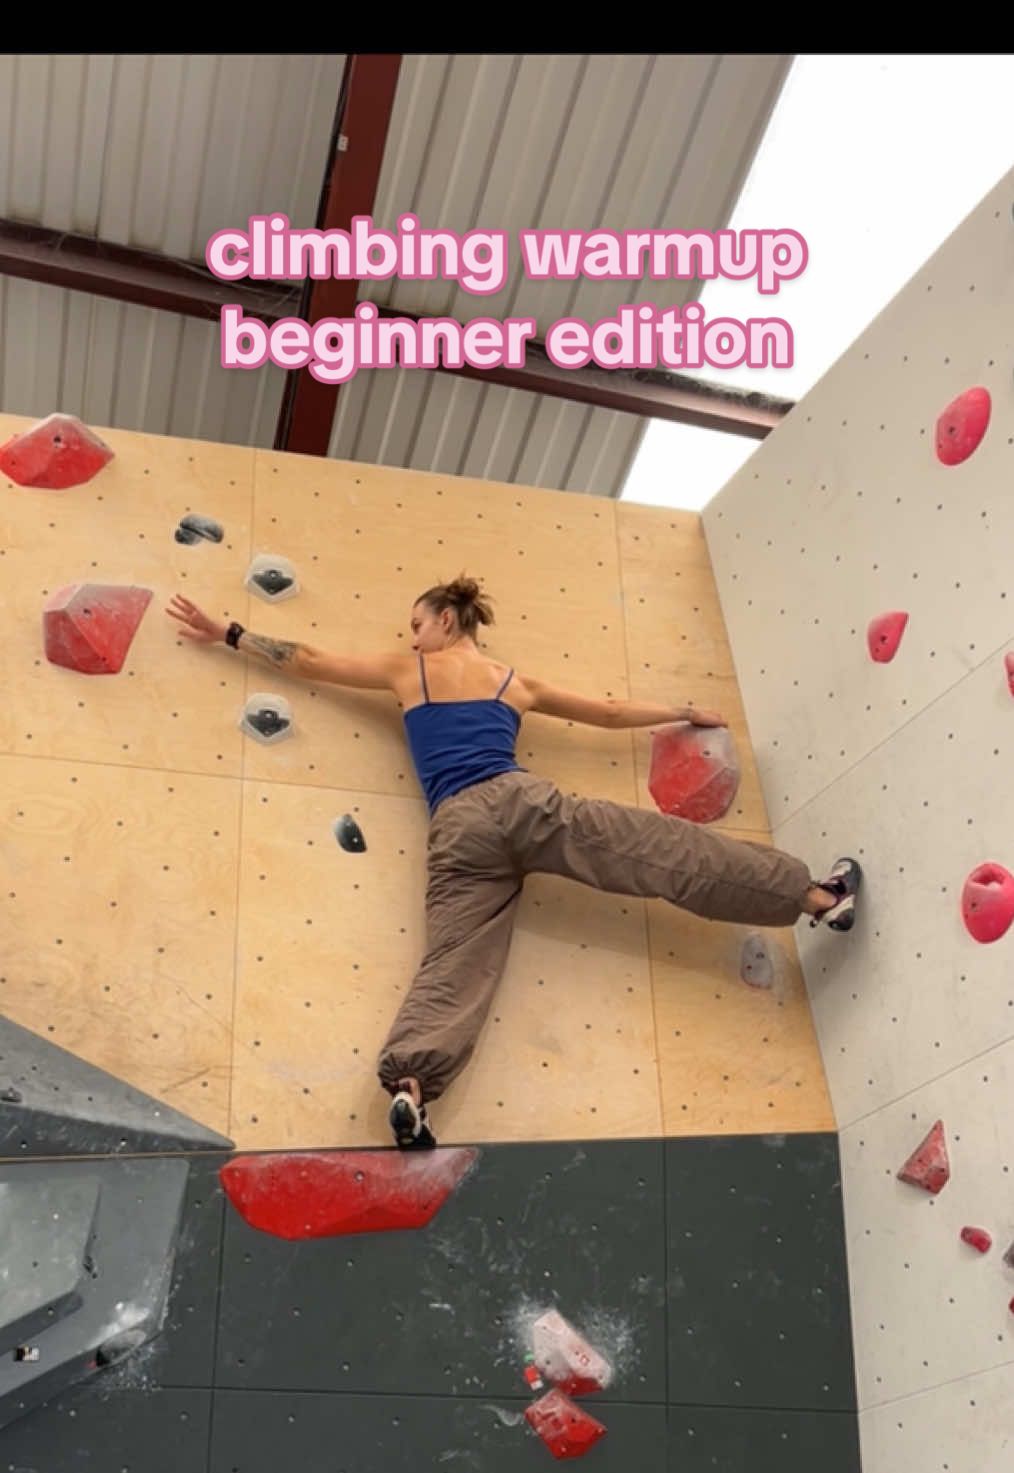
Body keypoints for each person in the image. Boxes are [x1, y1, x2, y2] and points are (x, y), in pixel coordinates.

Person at [166, 576, 860, 1151]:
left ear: (444, 619)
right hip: (523, 800)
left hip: (457, 830)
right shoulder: (512, 682)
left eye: (415, 623)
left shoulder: (405, 671)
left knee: (454, 960)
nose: (410, 637)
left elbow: (309, 659)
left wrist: (228, 632)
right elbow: (610, 712)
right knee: (659, 852)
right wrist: (684, 709)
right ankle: (815, 897)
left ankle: (410, 1086)